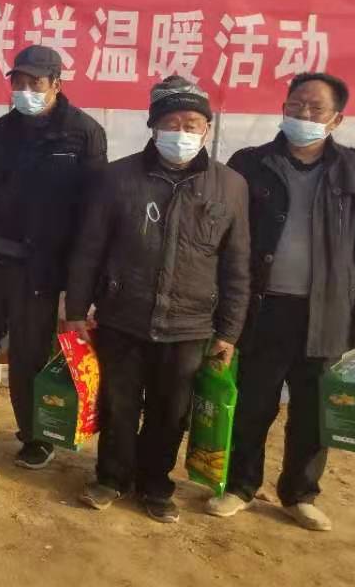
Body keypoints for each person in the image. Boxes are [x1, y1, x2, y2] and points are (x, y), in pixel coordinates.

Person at [207, 72, 355, 532]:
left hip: (326, 313)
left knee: (311, 411)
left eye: (315, 108)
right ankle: (240, 486)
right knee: (253, 403)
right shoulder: (251, 164)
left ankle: (300, 494)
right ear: (283, 108)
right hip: (263, 308)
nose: (303, 114)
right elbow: (227, 237)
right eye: (295, 105)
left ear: (336, 119)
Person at [65, 77, 250, 523]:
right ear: (153, 126)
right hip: (122, 315)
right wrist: (75, 312)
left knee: (171, 412)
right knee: (118, 404)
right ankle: (111, 477)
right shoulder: (117, 178)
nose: (181, 132)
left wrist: (229, 331)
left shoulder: (230, 186)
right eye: (171, 122)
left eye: (192, 123)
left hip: (190, 324)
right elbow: (89, 250)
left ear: (206, 129)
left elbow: (237, 264)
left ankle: (155, 484)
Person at [0, 45, 106, 468]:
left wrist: (76, 283)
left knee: (28, 354)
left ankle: (34, 434)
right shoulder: (3, 128)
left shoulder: (83, 132)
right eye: (18, 82)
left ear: (56, 84)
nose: (24, 90)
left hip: (41, 267)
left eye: (35, 82)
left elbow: (92, 212)